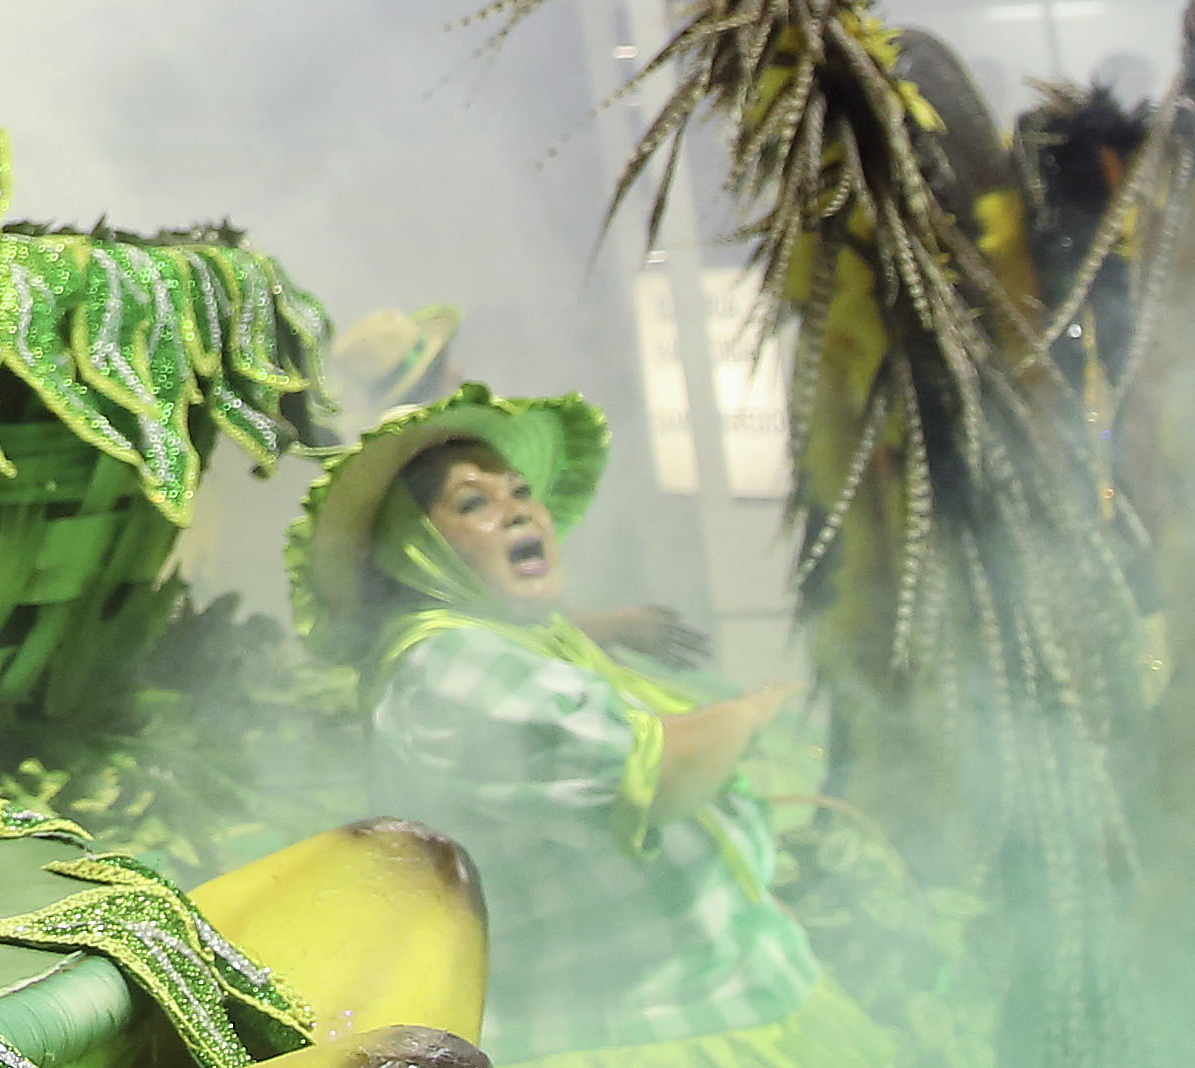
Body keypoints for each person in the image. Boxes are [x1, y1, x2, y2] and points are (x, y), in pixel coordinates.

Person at [297, 386, 887, 1068]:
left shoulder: (490, 644)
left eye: (518, 490)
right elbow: (658, 777)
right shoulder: (444, 665)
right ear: (413, 548)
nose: (516, 508)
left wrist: (615, 628)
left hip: (714, 995)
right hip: (639, 1031)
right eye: (472, 503)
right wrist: (753, 710)